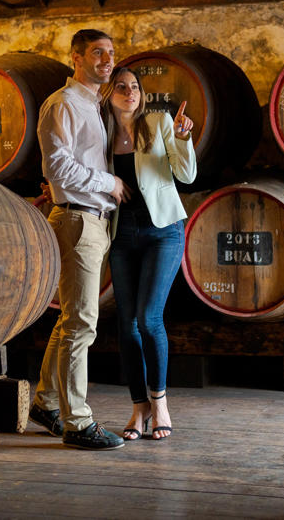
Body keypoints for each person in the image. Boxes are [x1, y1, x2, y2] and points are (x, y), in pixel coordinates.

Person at [30, 29, 130, 450]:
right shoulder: (64, 103)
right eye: (97, 53)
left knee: (72, 318)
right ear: (75, 57)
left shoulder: (93, 104)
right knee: (81, 324)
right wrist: (109, 182)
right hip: (77, 217)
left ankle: (46, 402)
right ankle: (78, 422)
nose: (107, 60)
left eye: (110, 53)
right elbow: (58, 169)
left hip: (94, 220)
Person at [102, 67, 196, 440]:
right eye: (121, 87)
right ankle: (138, 407)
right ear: (108, 94)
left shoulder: (158, 123)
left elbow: (186, 176)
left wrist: (183, 138)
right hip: (121, 234)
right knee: (126, 324)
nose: (130, 92)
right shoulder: (101, 133)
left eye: (135, 87)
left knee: (148, 319)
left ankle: (160, 404)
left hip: (164, 231)